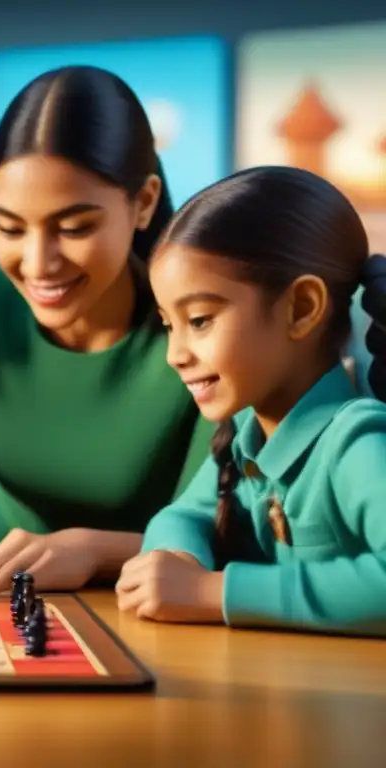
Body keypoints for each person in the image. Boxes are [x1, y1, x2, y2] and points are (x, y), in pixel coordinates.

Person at [0, 65, 217, 596]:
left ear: (143, 202)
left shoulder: (202, 327)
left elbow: (224, 530)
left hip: (156, 609)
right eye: (9, 227)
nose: (38, 263)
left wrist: (94, 551)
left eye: (74, 228)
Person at [116, 166, 386, 636]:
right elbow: (184, 514)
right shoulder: (246, 437)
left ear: (301, 308)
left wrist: (210, 592)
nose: (176, 355)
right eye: (168, 324)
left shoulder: (357, 443)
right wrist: (178, 560)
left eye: (199, 320)